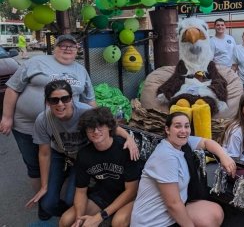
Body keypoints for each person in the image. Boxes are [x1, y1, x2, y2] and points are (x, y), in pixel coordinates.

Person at [0, 34, 96, 220]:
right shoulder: (37, 62)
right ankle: (43, 202)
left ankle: (59, 194)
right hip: (26, 125)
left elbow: (89, 100)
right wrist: (7, 117)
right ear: (55, 47)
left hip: (61, 128)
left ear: (77, 49)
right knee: (35, 163)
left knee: (56, 158)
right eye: (63, 45)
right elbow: (13, 88)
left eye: (72, 46)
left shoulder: (81, 70)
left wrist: (98, 124)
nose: (67, 49)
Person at [26, 81, 138, 219]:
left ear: (72, 98)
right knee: (48, 204)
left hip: (83, 156)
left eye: (65, 99)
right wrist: (44, 186)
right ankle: (66, 213)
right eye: (54, 100)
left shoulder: (85, 111)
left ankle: (76, 212)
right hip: (60, 154)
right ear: (47, 102)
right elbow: (44, 153)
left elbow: (109, 125)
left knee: (71, 199)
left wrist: (129, 138)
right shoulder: (43, 120)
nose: (60, 104)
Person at [130, 112, 236, 227]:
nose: (183, 130)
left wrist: (224, 156)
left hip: (170, 215)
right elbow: (173, 204)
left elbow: (206, 142)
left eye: (186, 126)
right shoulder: (165, 156)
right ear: (167, 129)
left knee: (214, 212)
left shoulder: (182, 143)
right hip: (154, 222)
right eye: (177, 126)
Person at [59, 107, 141, 227]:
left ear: (109, 127)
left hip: (130, 195)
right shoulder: (84, 155)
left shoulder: (126, 149)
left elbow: (132, 190)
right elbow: (81, 191)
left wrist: (100, 216)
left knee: (118, 222)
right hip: (105, 193)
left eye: (100, 126)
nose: (96, 131)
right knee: (66, 220)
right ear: (86, 132)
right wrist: (79, 219)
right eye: (91, 128)